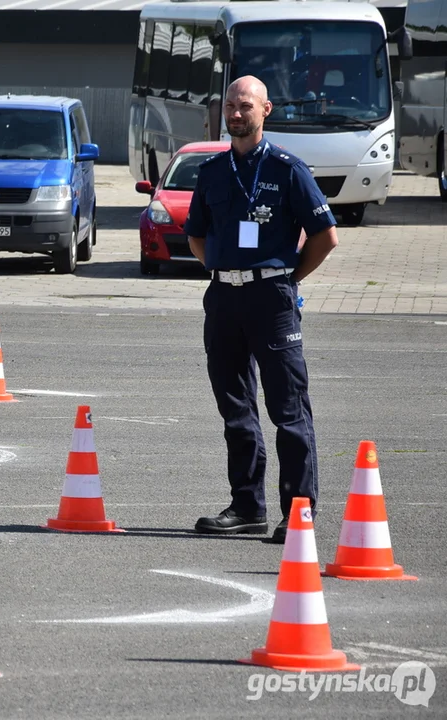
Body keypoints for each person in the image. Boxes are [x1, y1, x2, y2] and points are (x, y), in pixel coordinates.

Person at [183, 76, 339, 544]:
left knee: (288, 409)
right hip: (224, 298)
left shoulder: (289, 169)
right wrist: (227, 269)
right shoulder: (211, 171)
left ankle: (299, 512)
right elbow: (196, 235)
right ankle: (247, 506)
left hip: (272, 300)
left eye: (244, 105)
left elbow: (325, 236)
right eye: (230, 105)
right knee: (235, 408)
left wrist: (286, 280)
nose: (235, 113)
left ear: (265, 110)